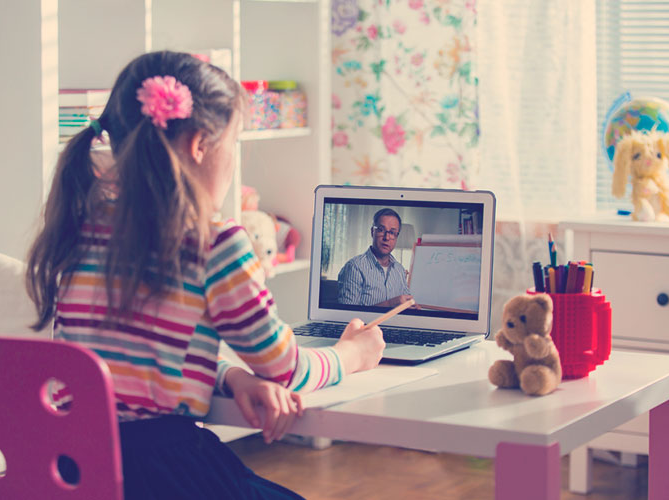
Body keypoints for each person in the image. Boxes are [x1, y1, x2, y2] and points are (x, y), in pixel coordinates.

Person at [26, 51, 385, 499]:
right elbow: (285, 369)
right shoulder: (213, 244)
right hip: (159, 473)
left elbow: (137, 363)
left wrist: (230, 377)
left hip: (72, 470)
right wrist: (352, 354)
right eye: (234, 145)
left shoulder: (81, 227)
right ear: (200, 145)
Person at [337, 208, 414, 308]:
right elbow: (347, 316)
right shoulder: (354, 267)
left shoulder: (400, 270)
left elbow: (405, 304)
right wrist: (391, 303)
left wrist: (412, 308)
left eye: (392, 232)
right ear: (372, 232)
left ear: (396, 237)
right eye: (381, 230)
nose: (386, 237)